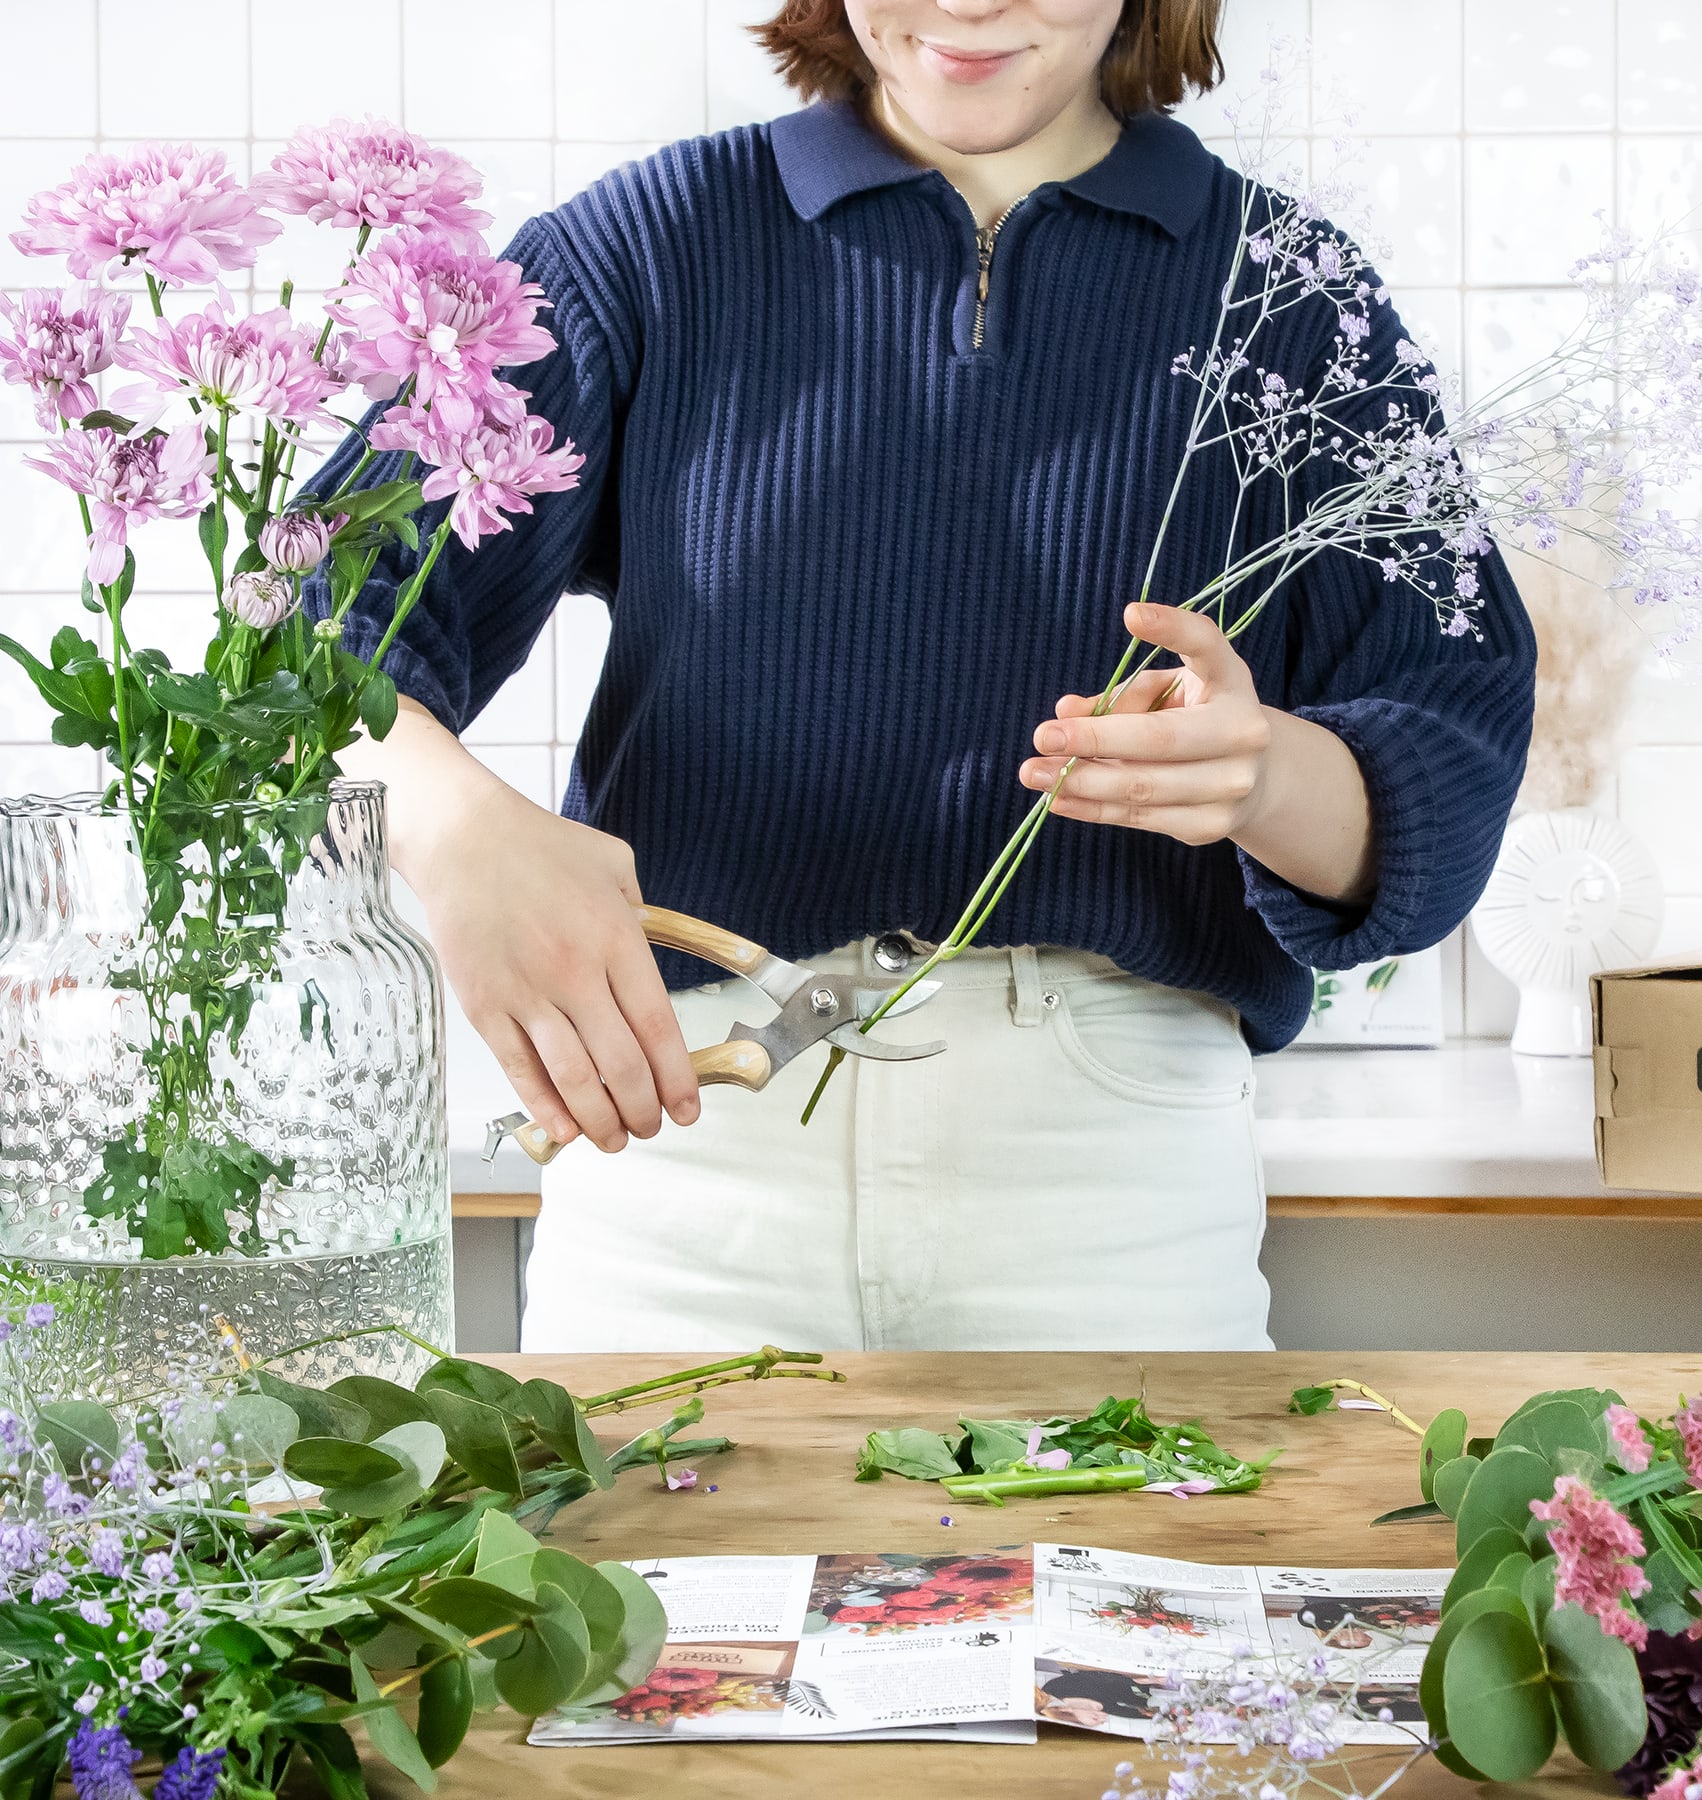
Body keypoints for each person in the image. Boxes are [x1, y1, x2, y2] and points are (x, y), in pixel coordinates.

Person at [313, 0, 1535, 1353]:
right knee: (641, 1567)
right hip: (691, 1144)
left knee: (1132, 1570)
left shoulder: (1291, 294)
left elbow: (1448, 759)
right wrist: (452, 826)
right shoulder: (645, 246)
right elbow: (305, 636)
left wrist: (1265, 777)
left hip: (1109, 1179)